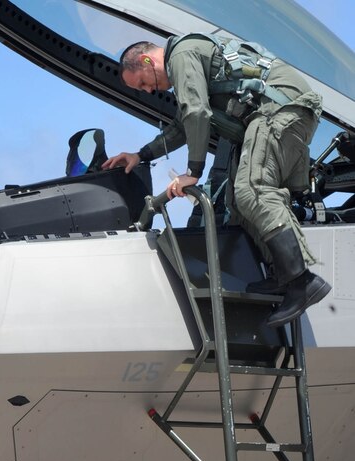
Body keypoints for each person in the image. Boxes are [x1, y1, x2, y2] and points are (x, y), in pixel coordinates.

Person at [102, 36, 331, 327]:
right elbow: (182, 126)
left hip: (280, 110)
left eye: (144, 83)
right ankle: (281, 277)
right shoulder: (186, 63)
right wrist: (140, 154)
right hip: (278, 114)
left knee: (253, 191)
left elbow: (197, 112)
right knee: (239, 202)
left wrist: (193, 172)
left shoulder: (181, 56)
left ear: (147, 61)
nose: (149, 90)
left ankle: (302, 281)